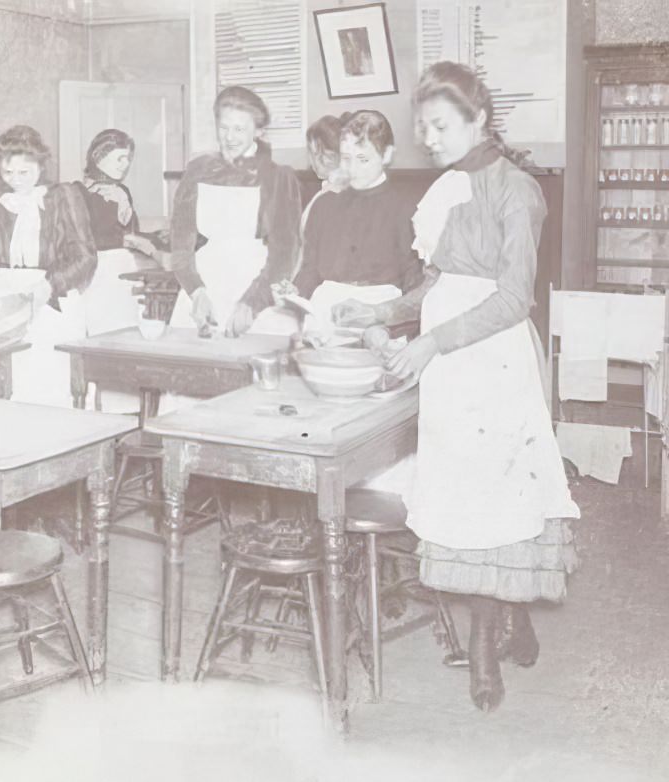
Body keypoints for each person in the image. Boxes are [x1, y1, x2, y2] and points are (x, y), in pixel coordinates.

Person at [331, 62, 580, 712]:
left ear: (477, 119)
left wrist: (431, 342)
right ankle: (507, 617)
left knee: (498, 497)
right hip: (444, 368)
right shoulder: (443, 190)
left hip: (493, 365)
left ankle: (486, 651)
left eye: (440, 125)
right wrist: (381, 314)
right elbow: (436, 284)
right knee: (466, 501)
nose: (430, 137)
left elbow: (513, 299)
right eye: (422, 127)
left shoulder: (516, 190)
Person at [0, 125, 97, 407]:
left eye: (24, 172)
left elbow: (85, 257)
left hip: (50, 298)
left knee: (46, 381)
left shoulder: (64, 197)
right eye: (7, 173)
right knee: (4, 383)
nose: (16, 180)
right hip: (2, 298)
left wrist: (50, 285)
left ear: (41, 165)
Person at [168, 85, 302, 337]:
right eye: (224, 127)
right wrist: (196, 291)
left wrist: (253, 304)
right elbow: (180, 245)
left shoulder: (279, 177)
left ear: (258, 131)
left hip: (258, 284)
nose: (229, 137)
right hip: (204, 283)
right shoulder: (198, 170)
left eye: (239, 129)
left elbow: (285, 254)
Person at [292, 110, 425, 332]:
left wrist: (388, 325)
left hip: (378, 314)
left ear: (387, 155)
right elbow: (309, 271)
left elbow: (414, 285)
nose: (352, 169)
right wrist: (294, 296)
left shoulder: (406, 209)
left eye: (363, 159)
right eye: (346, 158)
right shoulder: (324, 205)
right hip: (325, 308)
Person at [76, 128, 149, 337]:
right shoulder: (80, 192)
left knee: (128, 329)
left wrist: (124, 204)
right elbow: (84, 238)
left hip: (125, 267)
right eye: (119, 158)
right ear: (98, 156)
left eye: (127, 159)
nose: (125, 165)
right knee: (103, 330)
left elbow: (134, 231)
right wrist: (127, 240)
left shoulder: (123, 191)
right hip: (97, 271)